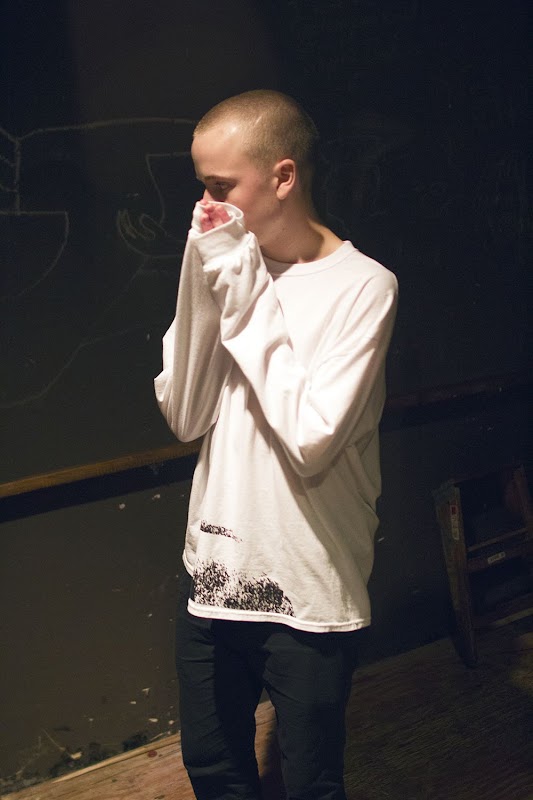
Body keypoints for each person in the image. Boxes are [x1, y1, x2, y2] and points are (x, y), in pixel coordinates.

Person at [154, 89, 398, 800]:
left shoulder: (363, 287)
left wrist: (238, 281)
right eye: (202, 186)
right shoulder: (224, 262)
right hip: (213, 575)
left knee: (311, 783)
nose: (206, 207)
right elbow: (185, 413)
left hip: (310, 588)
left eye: (220, 187)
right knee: (214, 770)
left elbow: (309, 438)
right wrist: (202, 273)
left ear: (283, 176)